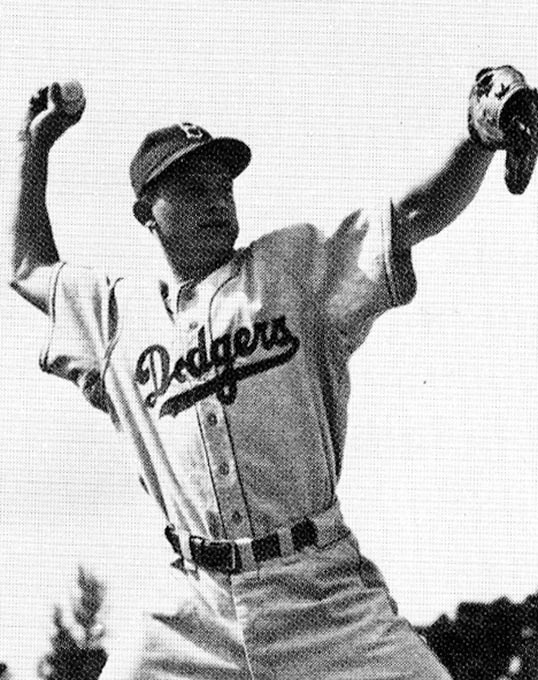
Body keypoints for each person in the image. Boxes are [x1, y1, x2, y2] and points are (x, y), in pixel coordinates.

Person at [7, 69, 537, 679]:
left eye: (222, 184)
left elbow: (411, 216)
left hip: (323, 593)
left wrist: (475, 140)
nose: (215, 197)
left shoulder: (291, 269)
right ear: (146, 213)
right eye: (191, 186)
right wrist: (34, 148)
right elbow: (29, 266)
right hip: (193, 610)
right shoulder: (114, 314)